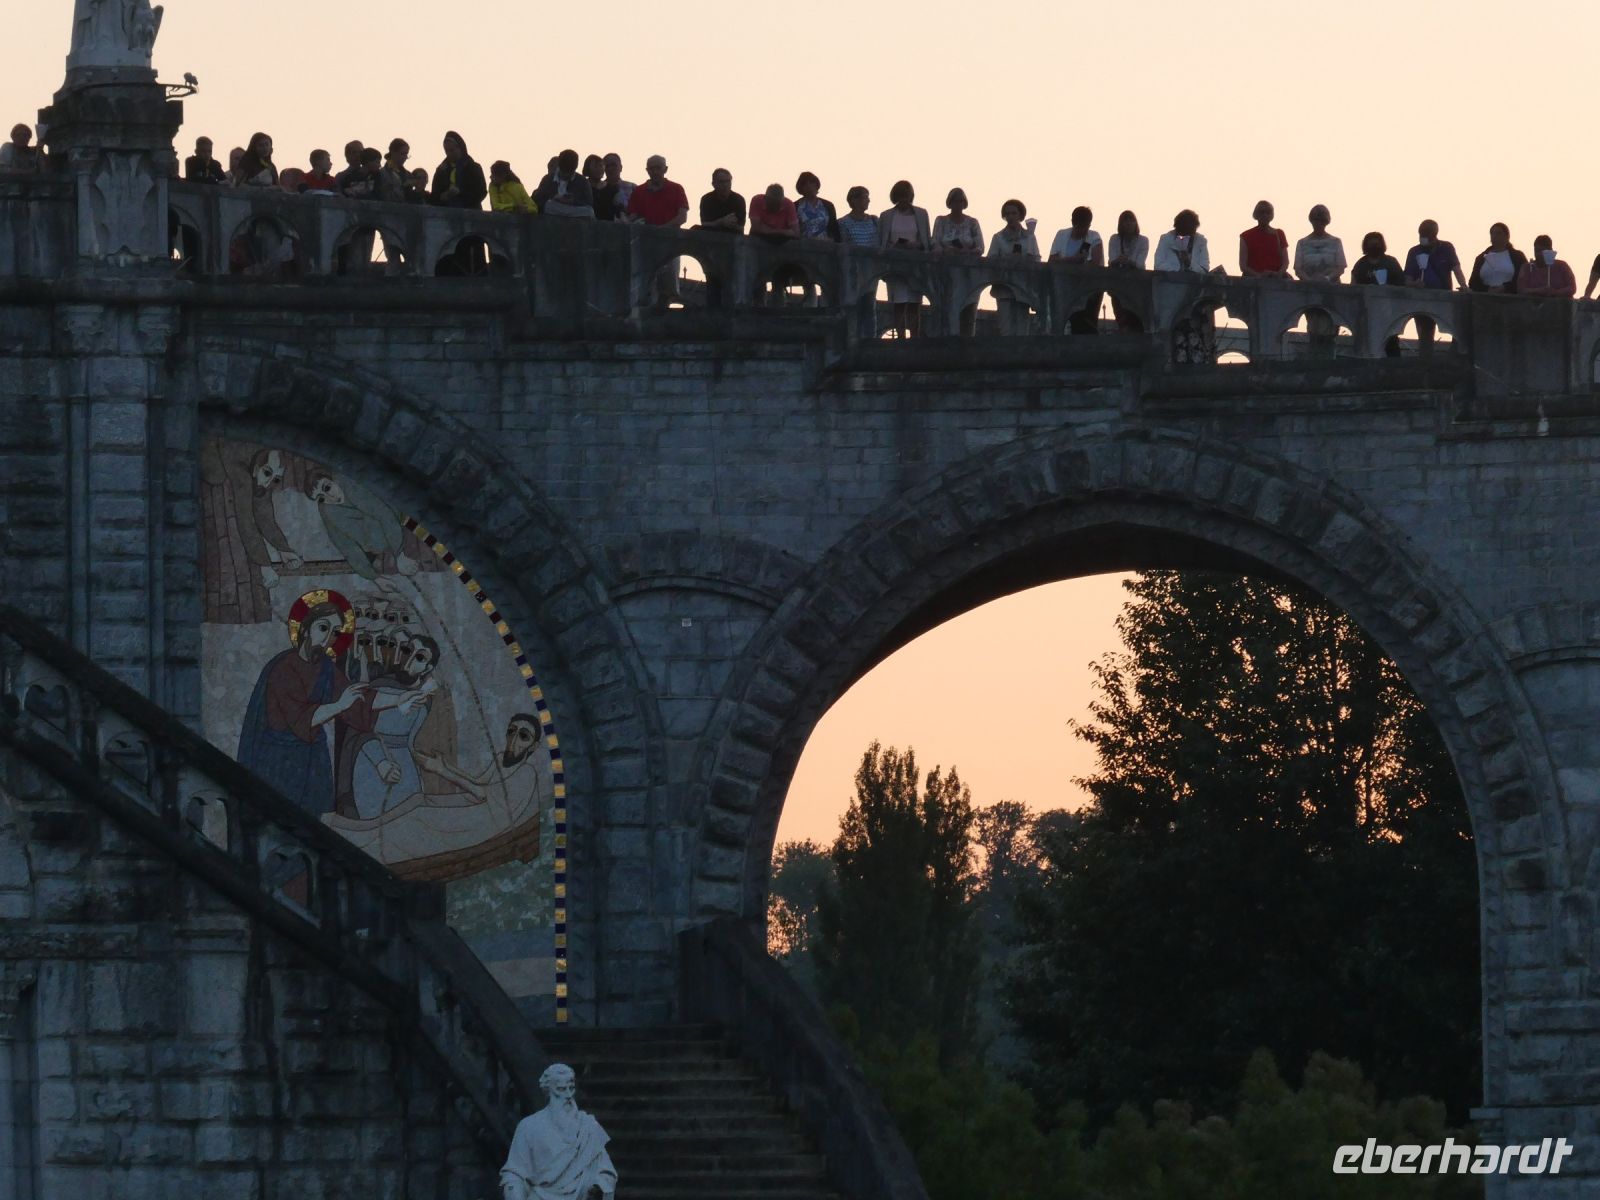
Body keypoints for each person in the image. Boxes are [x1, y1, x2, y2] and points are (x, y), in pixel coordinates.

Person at [499, 1063, 617, 1200]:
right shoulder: (529, 1126)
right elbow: (514, 1173)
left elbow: (606, 1171)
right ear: (548, 1091)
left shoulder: (588, 1126)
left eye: (571, 1088)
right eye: (561, 1089)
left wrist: (598, 1186)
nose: (568, 1095)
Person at [626, 155, 690, 310]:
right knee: (645, 280)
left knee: (668, 283)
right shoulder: (639, 191)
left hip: (670, 242)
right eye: (651, 168)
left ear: (665, 169)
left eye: (658, 168)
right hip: (646, 243)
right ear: (647, 170)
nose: (655, 171)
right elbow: (632, 215)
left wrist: (663, 229)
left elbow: (682, 216)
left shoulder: (676, 189)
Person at [878, 181, 932, 339]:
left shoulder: (921, 214)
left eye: (907, 196)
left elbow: (926, 240)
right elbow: (882, 240)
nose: (905, 200)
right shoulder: (886, 216)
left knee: (915, 303)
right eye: (901, 196)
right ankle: (900, 337)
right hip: (894, 264)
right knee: (898, 303)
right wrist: (895, 246)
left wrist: (915, 245)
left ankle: (914, 337)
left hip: (916, 265)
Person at [931, 188, 983, 335]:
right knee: (947, 308)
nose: (958, 203)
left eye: (961, 200)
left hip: (968, 273)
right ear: (949, 202)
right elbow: (935, 242)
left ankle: (967, 342)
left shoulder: (972, 222)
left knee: (968, 309)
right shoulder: (941, 221)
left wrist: (968, 252)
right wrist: (946, 251)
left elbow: (980, 247)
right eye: (955, 200)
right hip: (946, 272)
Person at [988, 200, 1041, 336]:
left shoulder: (1030, 237)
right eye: (1007, 214)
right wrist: (1007, 261)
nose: (1010, 216)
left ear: (1020, 216)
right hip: (1004, 288)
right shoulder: (998, 238)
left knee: (1022, 331)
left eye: (1013, 213)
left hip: (1023, 289)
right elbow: (990, 262)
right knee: (1005, 330)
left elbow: (1037, 260)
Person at [1350, 232, 1407, 356]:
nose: (1375, 246)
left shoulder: (1391, 262)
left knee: (1390, 341)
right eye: (1371, 244)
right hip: (1367, 310)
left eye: (1377, 243)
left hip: (1388, 310)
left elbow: (1401, 283)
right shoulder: (1361, 264)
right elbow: (1353, 286)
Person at [1050, 206, 1105, 334]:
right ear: (1073, 222)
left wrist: (1065, 261)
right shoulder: (1061, 235)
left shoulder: (1094, 237)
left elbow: (1096, 264)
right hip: (1065, 287)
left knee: (1087, 325)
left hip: (1089, 289)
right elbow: (1052, 261)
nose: (1083, 230)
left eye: (1086, 226)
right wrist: (1073, 260)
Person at [1105, 210, 1148, 332]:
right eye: (1125, 221)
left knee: (1137, 320)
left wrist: (1128, 261)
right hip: (1117, 285)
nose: (1128, 224)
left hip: (1137, 286)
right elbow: (1112, 260)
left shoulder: (1143, 241)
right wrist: (1119, 260)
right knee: (1123, 321)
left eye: (1131, 220)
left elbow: (1140, 263)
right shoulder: (1114, 239)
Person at [431, 131, 487, 209]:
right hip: (446, 214)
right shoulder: (441, 170)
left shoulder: (473, 167)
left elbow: (481, 192)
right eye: (447, 151)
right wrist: (442, 196)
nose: (449, 153)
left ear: (460, 148)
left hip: (470, 214)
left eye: (452, 150)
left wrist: (460, 193)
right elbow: (434, 195)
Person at [1468, 223, 1528, 294]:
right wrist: (1487, 289)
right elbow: (1473, 282)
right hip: (1484, 301)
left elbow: (1524, 278)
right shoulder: (1481, 258)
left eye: (1498, 233)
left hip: (1511, 301)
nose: (1494, 236)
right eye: (1492, 233)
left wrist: (1505, 287)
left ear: (1507, 236)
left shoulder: (1518, 256)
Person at [532, 149, 594, 217]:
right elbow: (538, 200)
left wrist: (572, 201)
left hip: (574, 209)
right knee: (548, 206)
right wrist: (554, 198)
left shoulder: (583, 181)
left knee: (589, 211)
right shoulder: (548, 179)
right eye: (564, 172)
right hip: (554, 207)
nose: (566, 175)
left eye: (569, 173)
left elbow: (589, 203)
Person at [1293, 205, 1346, 284]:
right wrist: (1309, 281)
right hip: (1307, 288)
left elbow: (1341, 267)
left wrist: (1327, 279)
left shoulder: (1336, 242)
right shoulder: (1302, 243)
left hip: (1331, 288)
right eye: (1315, 220)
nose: (1318, 223)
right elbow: (1298, 269)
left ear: (1326, 221)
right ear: (1311, 220)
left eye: (1322, 220)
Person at [1239, 199, 1288, 277]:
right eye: (1261, 212)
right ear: (1256, 214)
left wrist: (1278, 274)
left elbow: (1285, 262)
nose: (1265, 215)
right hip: (1254, 281)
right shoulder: (1246, 236)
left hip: (1276, 280)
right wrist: (1259, 276)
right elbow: (1243, 266)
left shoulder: (1279, 234)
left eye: (1268, 212)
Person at [697, 168, 746, 233]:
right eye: (721, 182)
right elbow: (704, 224)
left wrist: (730, 223)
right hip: (711, 236)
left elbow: (741, 227)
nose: (725, 185)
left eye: (728, 181)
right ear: (713, 184)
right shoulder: (706, 199)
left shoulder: (739, 200)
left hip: (733, 238)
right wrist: (722, 222)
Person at [794, 172, 839, 241]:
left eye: (811, 182)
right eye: (805, 184)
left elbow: (834, 229)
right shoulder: (795, 206)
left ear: (816, 184)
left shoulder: (828, 205)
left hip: (825, 246)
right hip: (803, 247)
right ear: (801, 188)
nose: (809, 186)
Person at [583, 155, 614, 219]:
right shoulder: (582, 186)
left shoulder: (612, 188)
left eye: (601, 166)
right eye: (595, 166)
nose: (599, 169)